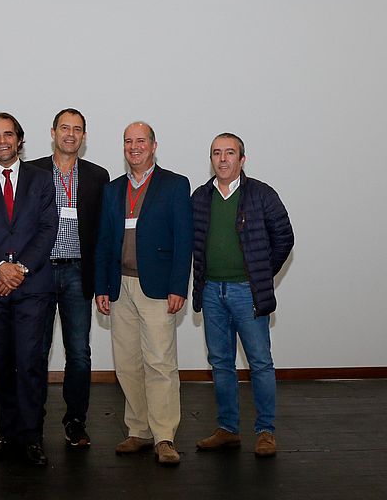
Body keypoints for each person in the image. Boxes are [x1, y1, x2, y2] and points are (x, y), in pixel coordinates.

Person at [0, 112, 58, 466]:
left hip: (33, 286)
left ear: (19, 139)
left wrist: (20, 269)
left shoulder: (42, 178)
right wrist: (0, 268)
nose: (2, 141)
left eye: (8, 134)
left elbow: (48, 229)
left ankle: (33, 439)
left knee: (31, 364)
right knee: (1, 365)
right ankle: (7, 436)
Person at [94, 122, 193, 466]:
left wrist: (178, 286)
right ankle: (138, 430)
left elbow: (184, 241)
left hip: (158, 288)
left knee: (160, 363)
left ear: (154, 146)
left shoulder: (176, 185)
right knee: (127, 364)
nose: (134, 147)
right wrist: (101, 286)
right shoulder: (113, 189)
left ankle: (164, 436)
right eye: (128, 141)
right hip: (119, 285)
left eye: (141, 141)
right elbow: (105, 240)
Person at [191, 133, 293, 458]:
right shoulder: (200, 197)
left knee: (260, 363)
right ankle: (228, 429)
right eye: (216, 153)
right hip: (211, 292)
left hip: (245, 292)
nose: (222, 159)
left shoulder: (261, 194)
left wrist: (259, 275)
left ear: (242, 159)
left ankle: (265, 432)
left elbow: (284, 238)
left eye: (229, 153)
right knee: (220, 363)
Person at [30, 108, 109, 448]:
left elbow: (104, 233)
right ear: (53, 132)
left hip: (79, 271)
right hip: (40, 271)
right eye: (65, 128)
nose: (71, 134)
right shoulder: (31, 172)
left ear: (84, 137)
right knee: (36, 350)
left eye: (78, 129)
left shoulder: (97, 175)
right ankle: (32, 420)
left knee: (78, 352)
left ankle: (75, 420)